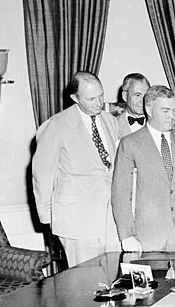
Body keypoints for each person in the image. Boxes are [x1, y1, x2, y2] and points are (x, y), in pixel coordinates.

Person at [32, 71, 120, 267]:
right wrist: (47, 218)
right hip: (77, 219)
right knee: (85, 283)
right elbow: (42, 175)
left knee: (113, 280)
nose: (99, 103)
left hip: (110, 218)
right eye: (91, 99)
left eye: (101, 96)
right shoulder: (57, 124)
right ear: (75, 98)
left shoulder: (110, 121)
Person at [112, 85, 175, 253]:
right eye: (165, 111)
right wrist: (127, 236)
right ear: (149, 109)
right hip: (146, 235)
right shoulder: (130, 143)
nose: (172, 116)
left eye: (174, 110)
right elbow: (121, 194)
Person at [116, 73, 150, 137]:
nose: (143, 100)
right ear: (125, 96)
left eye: (146, 95)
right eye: (138, 95)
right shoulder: (113, 125)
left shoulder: (156, 124)